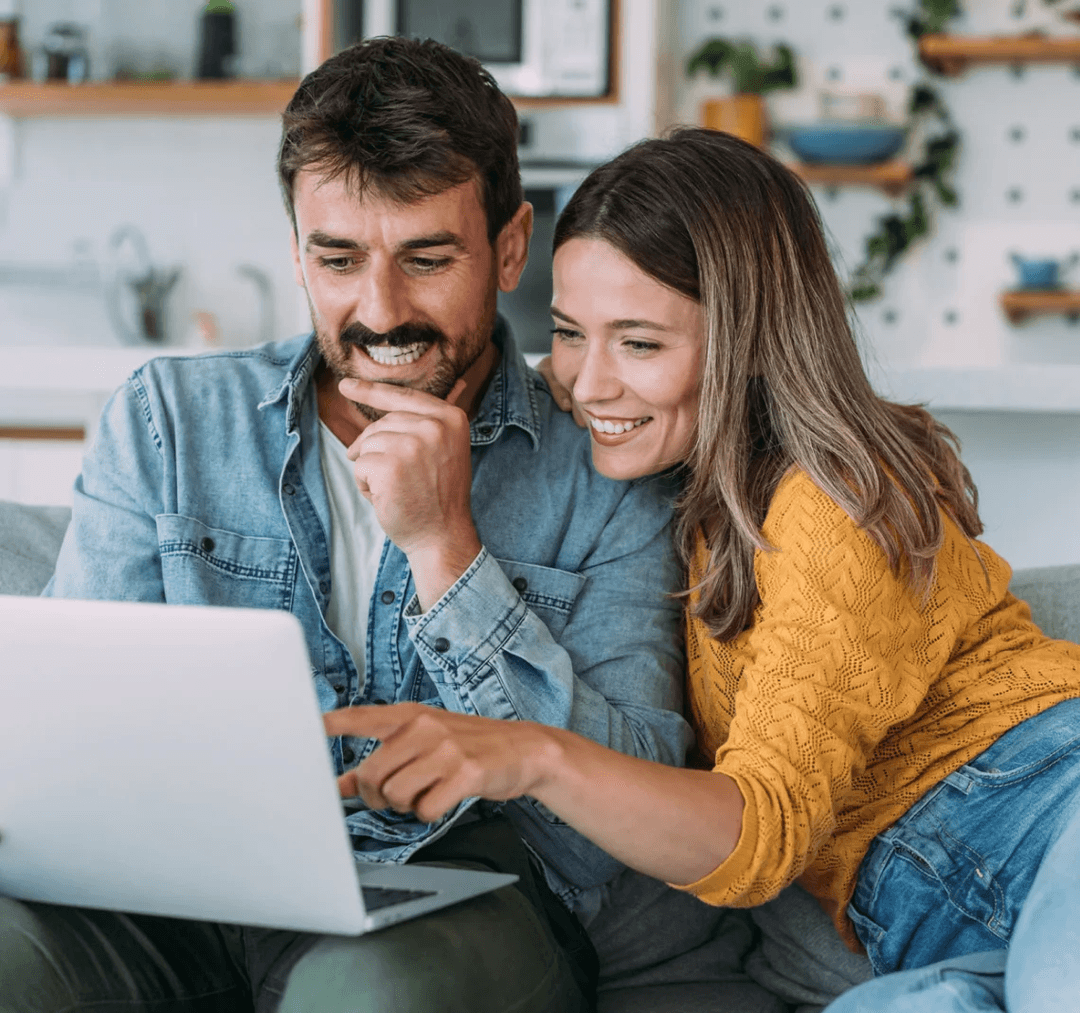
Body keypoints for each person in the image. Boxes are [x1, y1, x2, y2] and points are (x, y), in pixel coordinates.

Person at [0, 38, 701, 1013]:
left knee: (365, 991)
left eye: (426, 258)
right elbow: (72, 764)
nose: (380, 311)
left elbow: (611, 837)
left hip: (462, 894)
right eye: (337, 259)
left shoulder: (605, 470)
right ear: (296, 250)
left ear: (509, 246)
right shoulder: (169, 421)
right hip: (176, 897)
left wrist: (444, 547)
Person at [326, 127, 1080, 1013]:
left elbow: (760, 834)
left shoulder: (829, 504)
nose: (590, 380)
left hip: (1046, 812)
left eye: (640, 344)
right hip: (936, 924)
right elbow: (546, 385)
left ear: (747, 344)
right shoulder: (680, 465)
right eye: (569, 330)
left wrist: (533, 755)